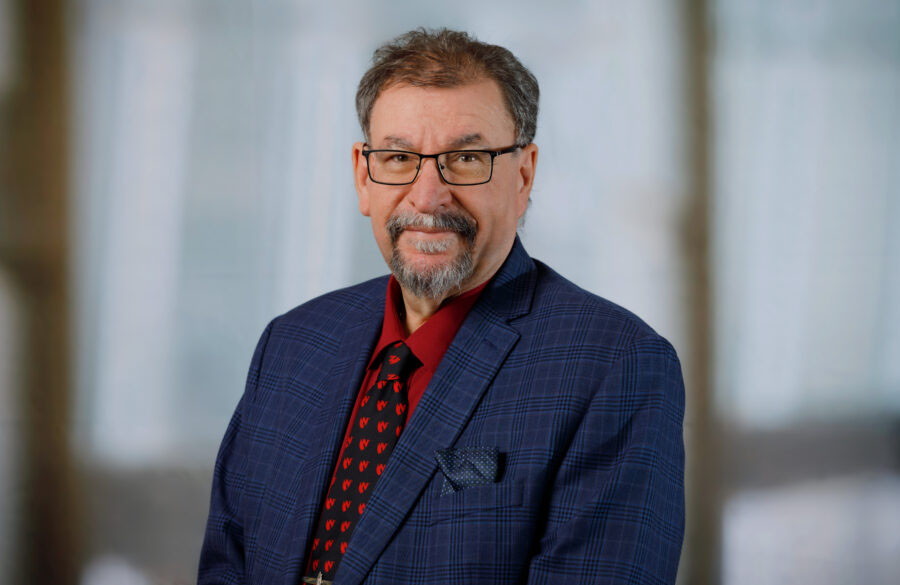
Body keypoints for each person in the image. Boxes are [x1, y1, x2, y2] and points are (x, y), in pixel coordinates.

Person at [198, 28, 685, 585]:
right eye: (400, 157)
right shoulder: (292, 344)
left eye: (467, 158)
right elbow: (226, 565)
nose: (427, 196)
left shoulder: (614, 366)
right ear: (363, 174)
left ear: (524, 176)